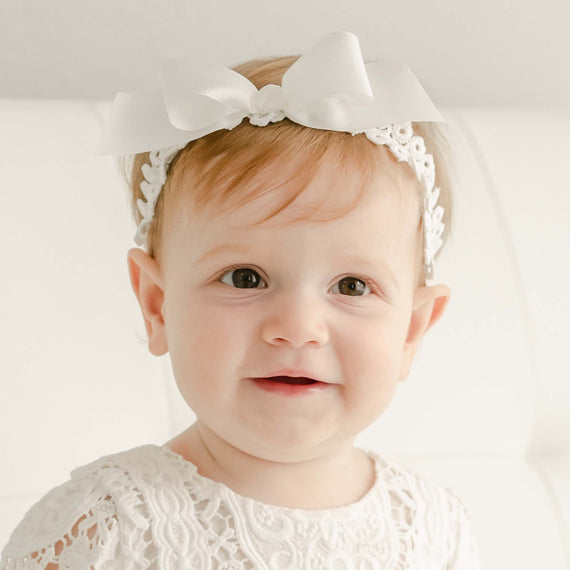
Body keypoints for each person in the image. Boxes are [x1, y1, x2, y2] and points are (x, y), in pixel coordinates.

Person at [0, 31, 482, 569]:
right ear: (158, 305)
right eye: (246, 278)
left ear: (412, 331)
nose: (298, 327)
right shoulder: (109, 526)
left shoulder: (433, 527)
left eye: (351, 286)